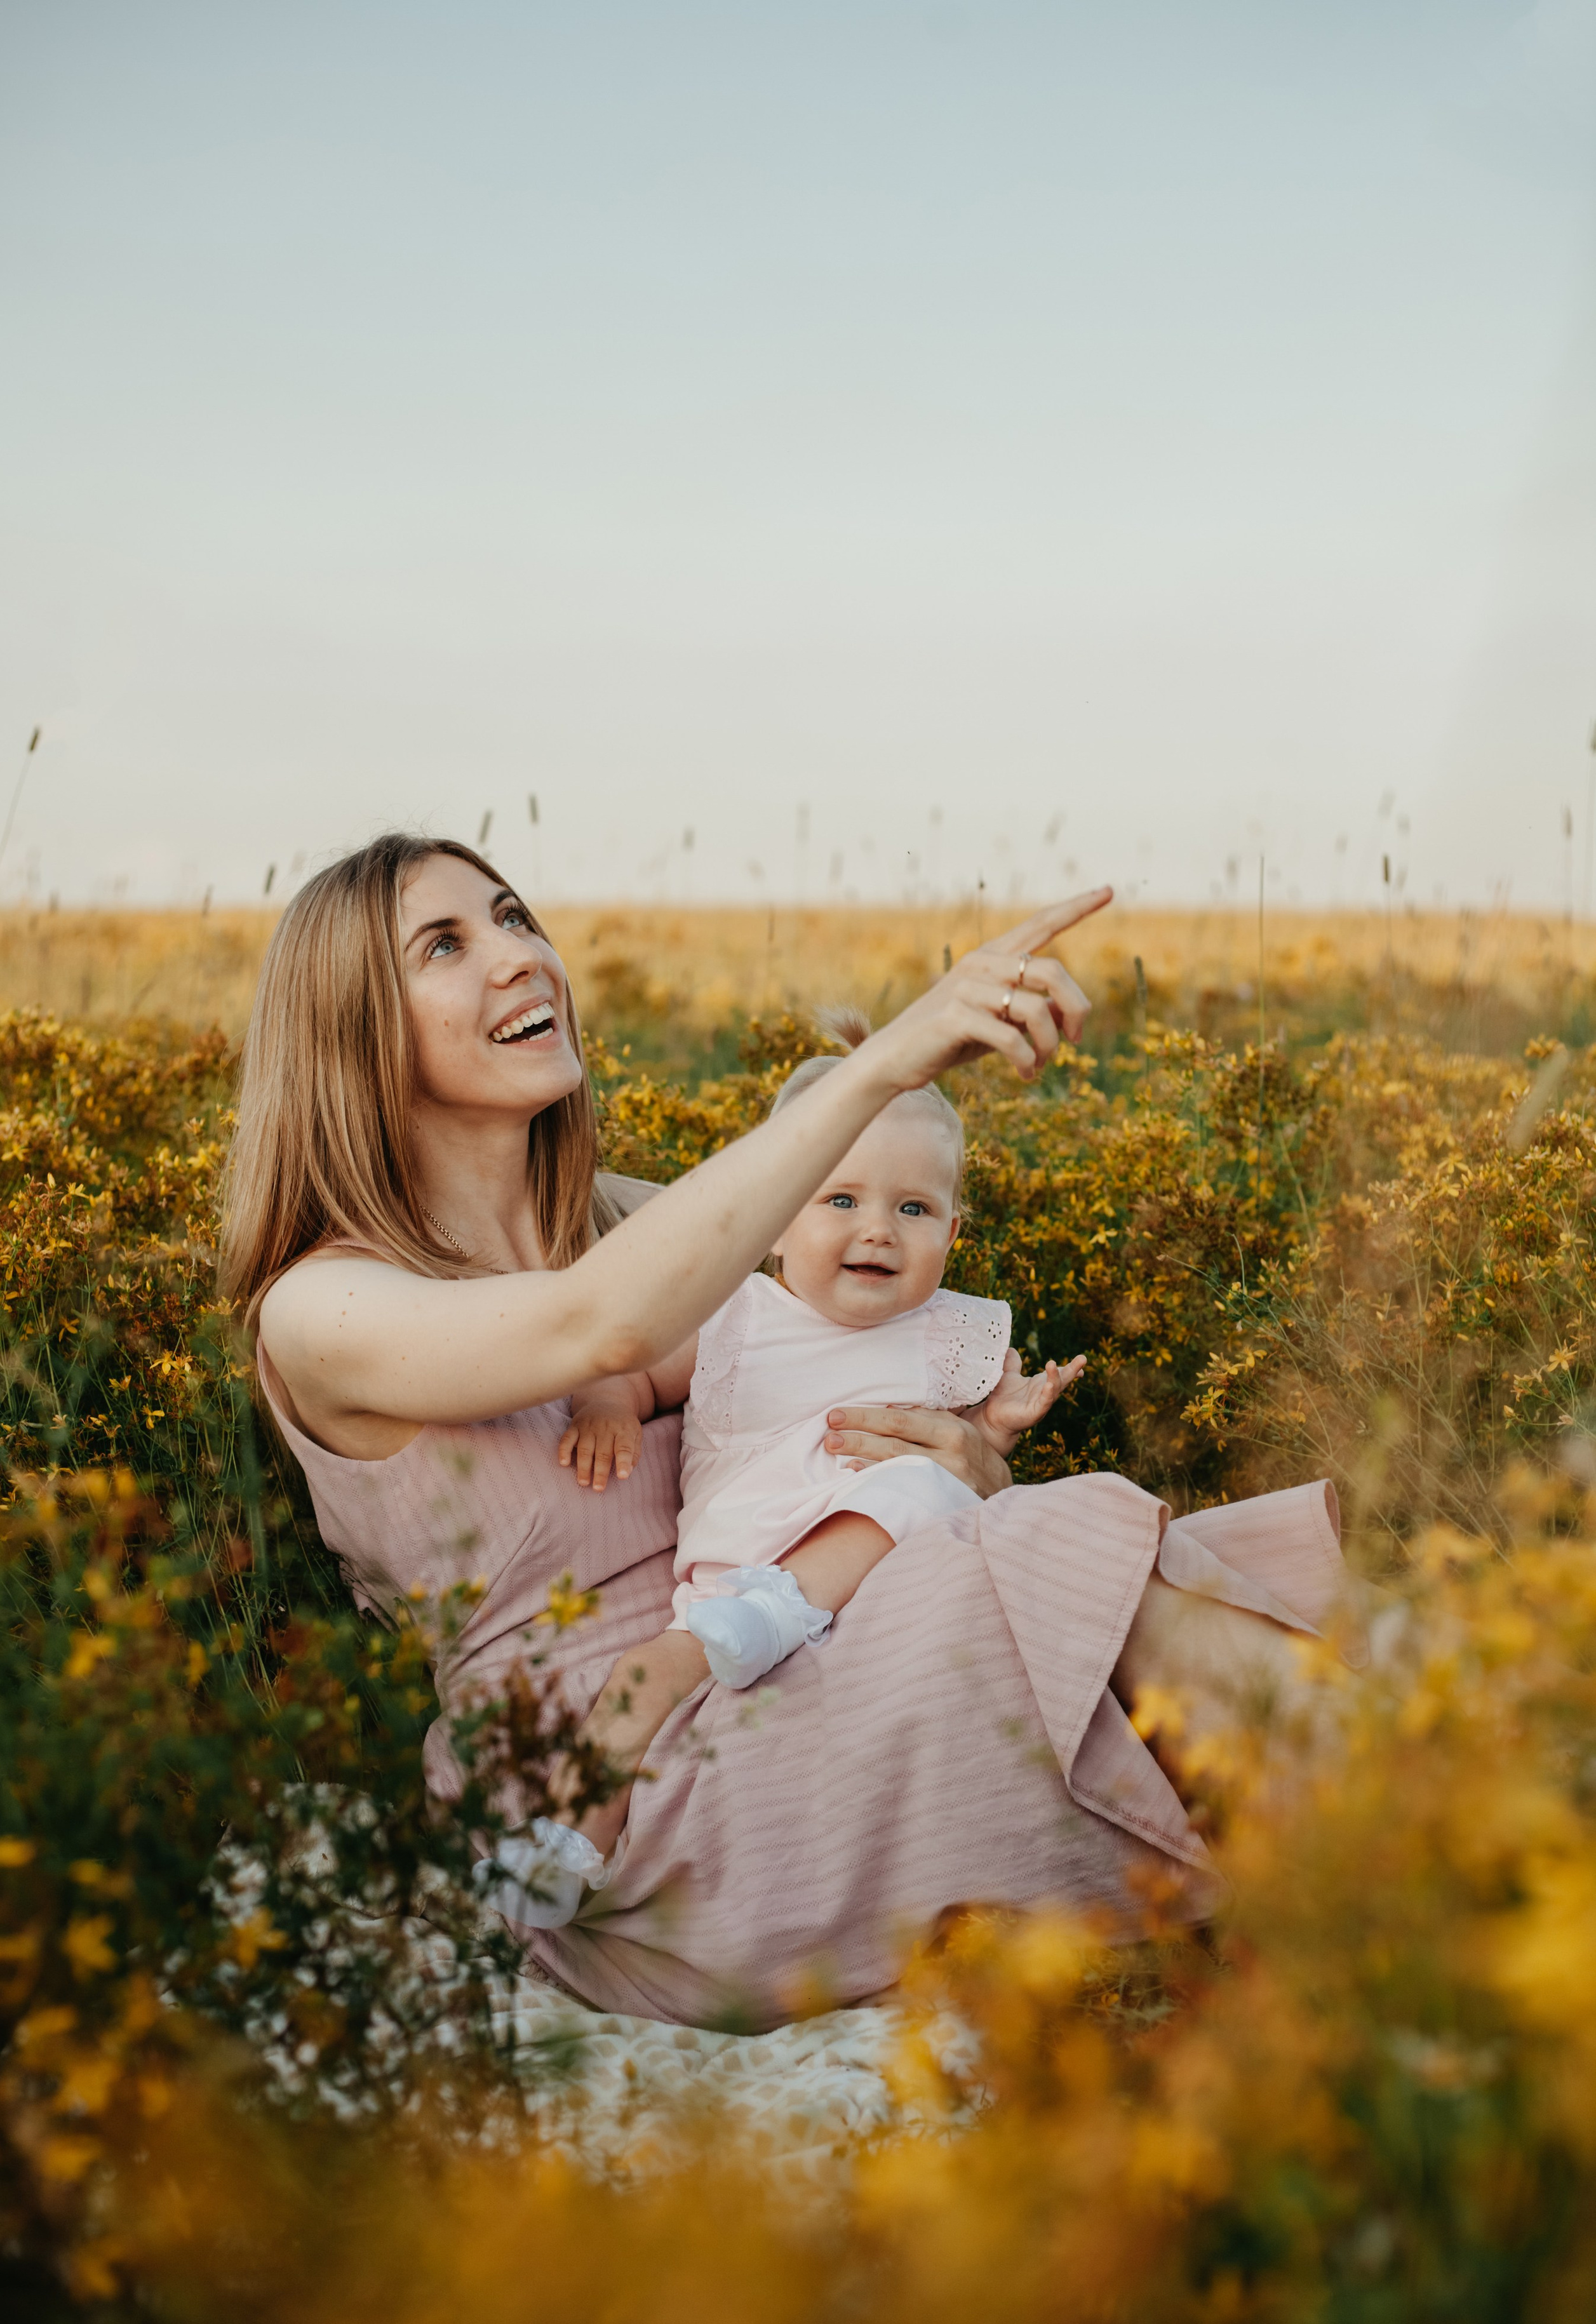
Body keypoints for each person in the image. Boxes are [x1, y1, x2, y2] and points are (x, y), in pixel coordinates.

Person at [222, 833, 1352, 2028]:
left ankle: (1430, 1862)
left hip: (793, 1660)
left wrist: (964, 1459)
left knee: (1086, 1554)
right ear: (352, 1029)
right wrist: (881, 1068)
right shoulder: (323, 1307)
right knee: (1062, 1559)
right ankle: (1445, 1868)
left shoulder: (641, 1223)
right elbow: (594, 1326)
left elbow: (846, 1336)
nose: (518, 957)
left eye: (513, 917)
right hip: (608, 1809)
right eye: (445, 945)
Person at [557, 1013, 1086, 1696]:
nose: (878, 1231)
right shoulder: (735, 1316)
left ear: (951, 1233)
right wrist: (606, 1406)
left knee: (923, 1486)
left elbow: (958, 1464)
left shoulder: (938, 1331)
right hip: (729, 1599)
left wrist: (994, 1429)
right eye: (841, 1199)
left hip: (880, 1597)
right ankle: (561, 1811)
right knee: (637, 1689)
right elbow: (633, 1366)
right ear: (773, 1220)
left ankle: (788, 1614)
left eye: (915, 1211)